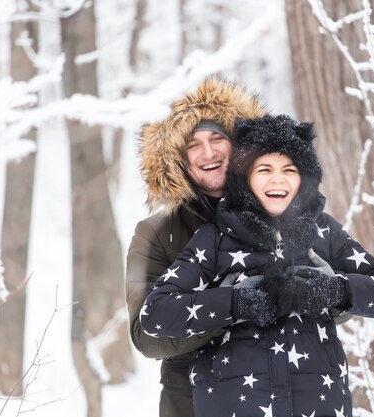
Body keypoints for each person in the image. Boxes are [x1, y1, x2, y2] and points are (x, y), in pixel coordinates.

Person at [139, 114, 374, 417]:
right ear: (244, 178)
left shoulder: (323, 232)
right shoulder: (214, 238)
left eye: (289, 170)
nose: (277, 179)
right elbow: (155, 314)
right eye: (264, 169)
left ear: (304, 178)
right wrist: (236, 302)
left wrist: (334, 290)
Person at [125, 77, 266, 417]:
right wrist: (229, 306)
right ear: (176, 159)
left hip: (275, 396)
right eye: (193, 144)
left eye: (218, 137)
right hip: (191, 403)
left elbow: (339, 300)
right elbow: (145, 336)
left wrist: (324, 293)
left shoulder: (279, 208)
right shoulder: (155, 234)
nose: (209, 152)